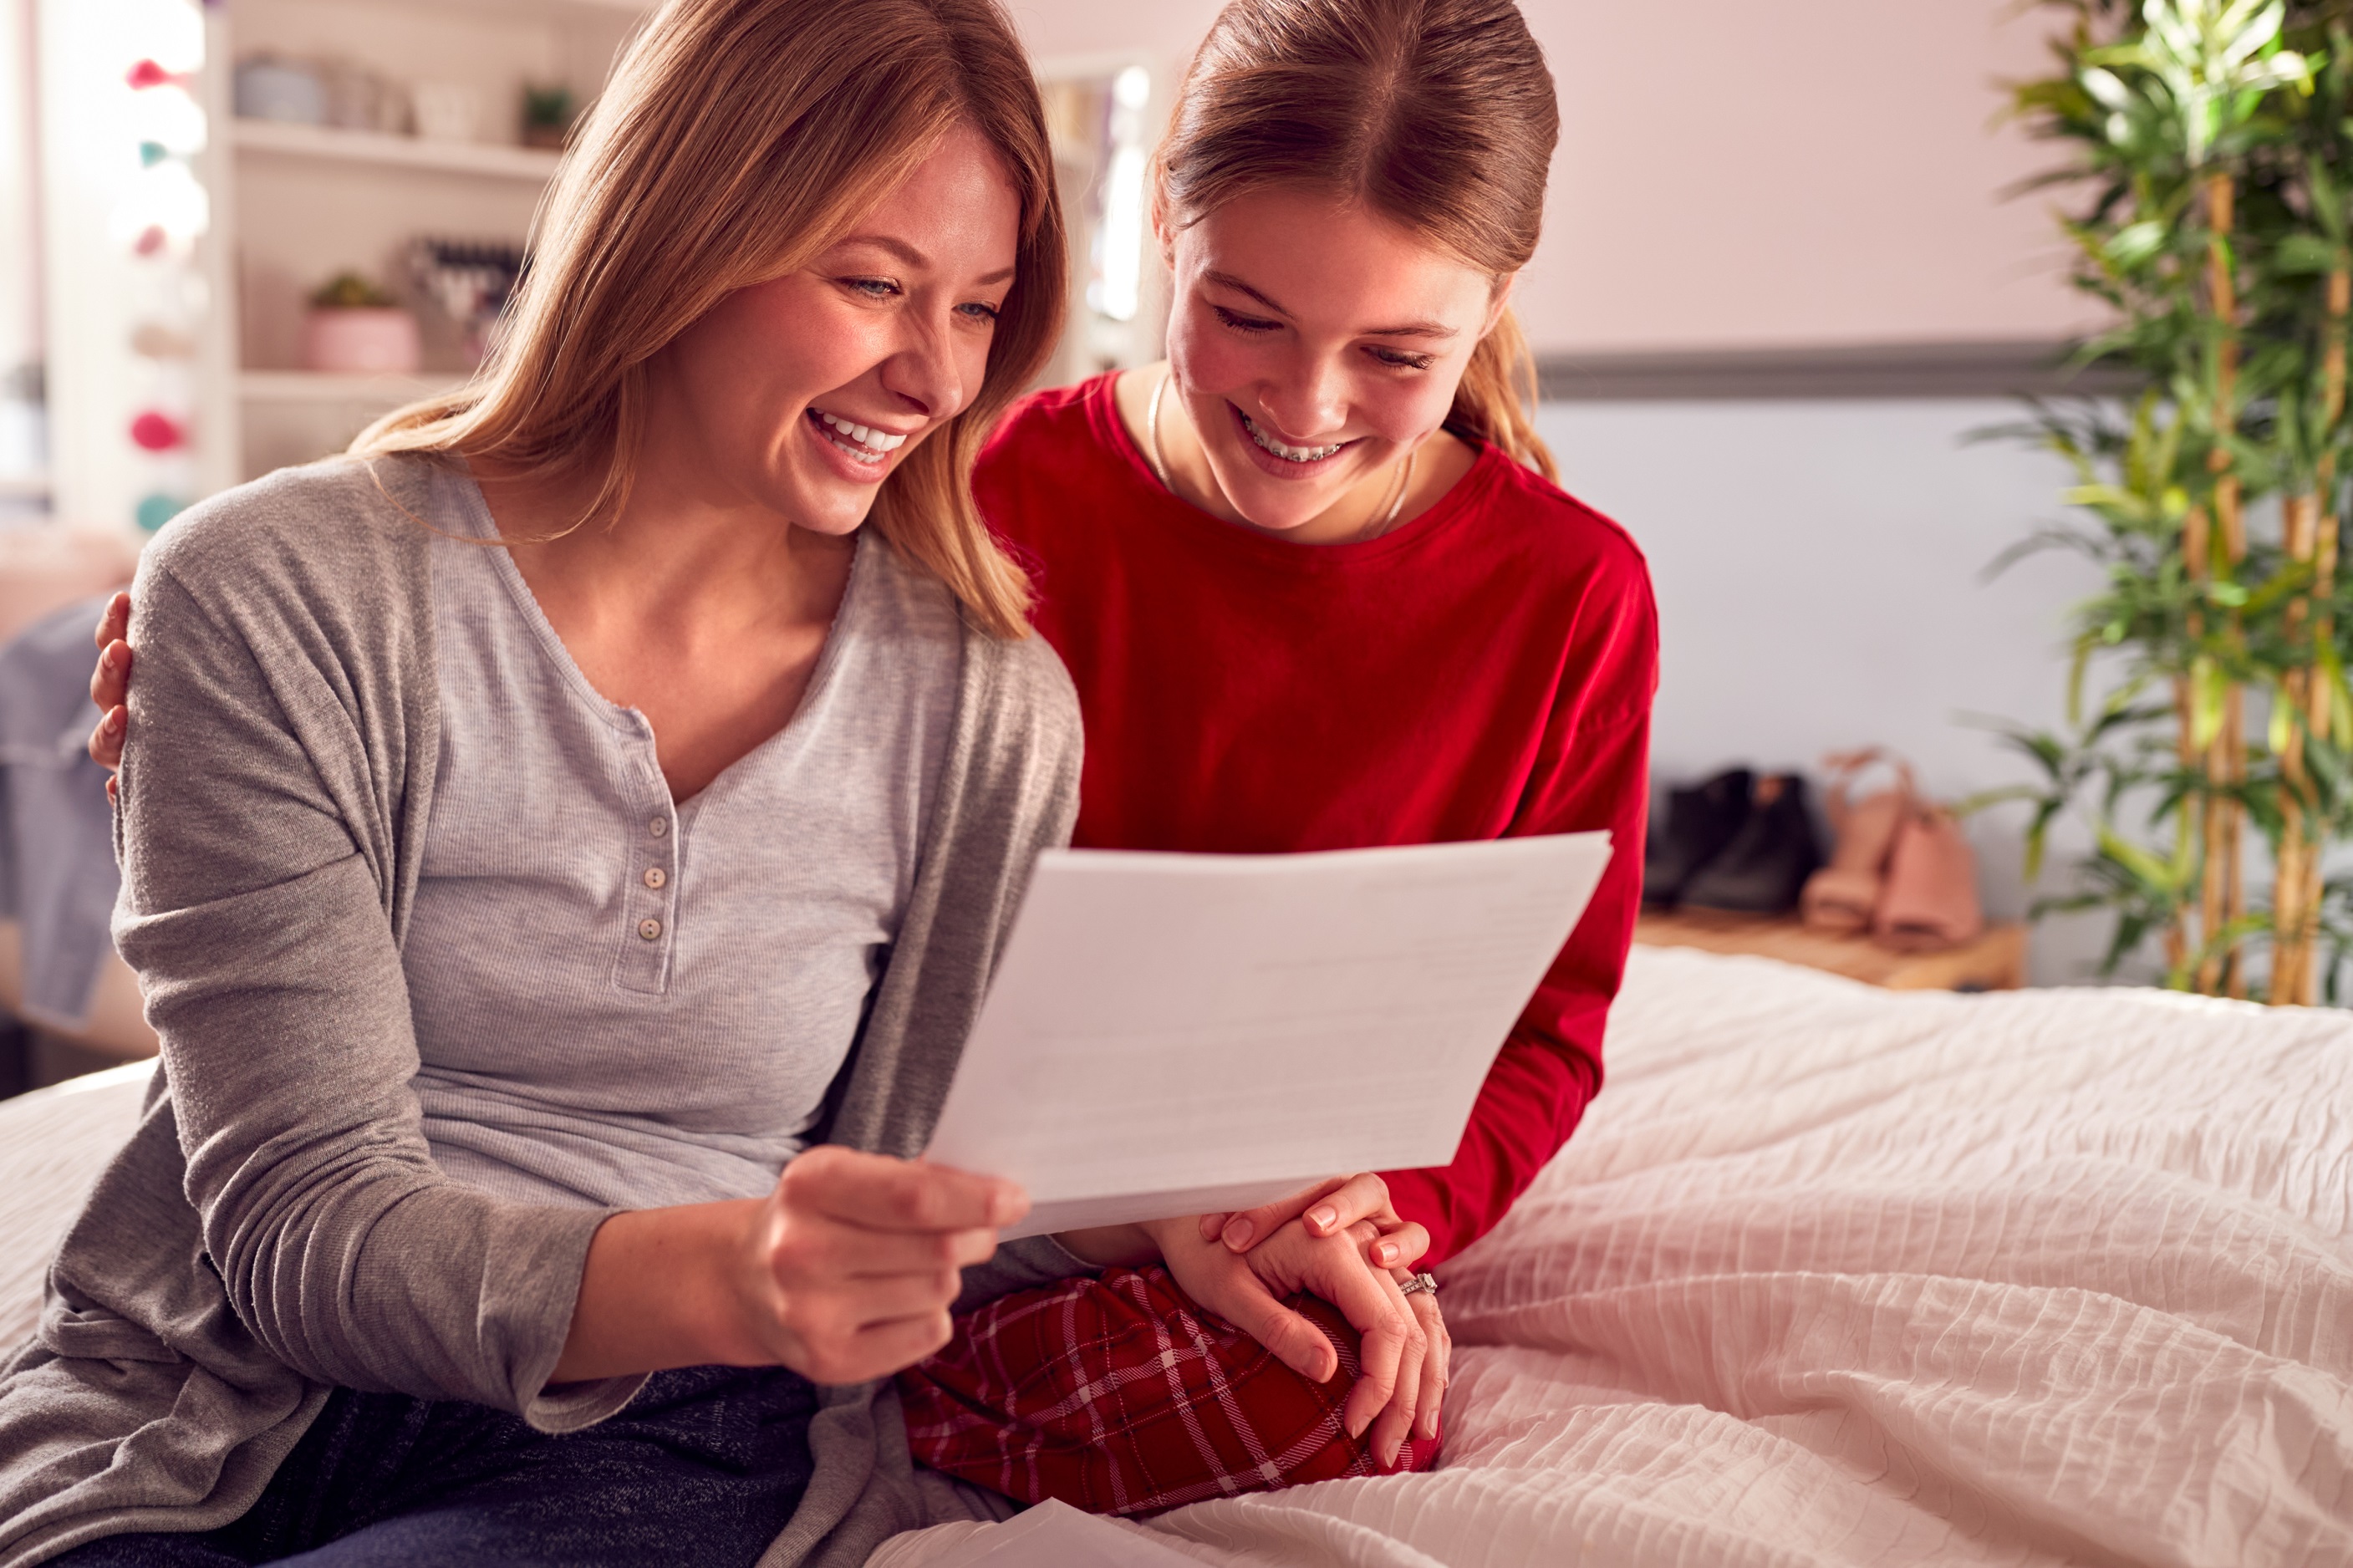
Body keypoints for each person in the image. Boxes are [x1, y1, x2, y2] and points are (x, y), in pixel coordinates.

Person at [4, 2, 1429, 1563]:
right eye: (873, 284)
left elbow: (909, 1174)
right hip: (211, 1401)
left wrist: (1196, 1215)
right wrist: (737, 1270)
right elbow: (299, 1233)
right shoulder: (283, 592)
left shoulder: (983, 708)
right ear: (679, 228)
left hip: (662, 1430)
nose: (931, 374)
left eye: (977, 308)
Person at [892, 0, 1658, 1515]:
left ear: (1498, 299)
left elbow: (1550, 1035)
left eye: (1396, 351)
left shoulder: (1574, 595)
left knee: (1339, 1389)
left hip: (1302, 1217)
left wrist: (1392, 1217)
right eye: (1247, 315)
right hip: (994, 1187)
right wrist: (1163, 1212)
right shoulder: (986, 492)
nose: (1303, 410)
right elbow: (849, 957)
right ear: (1168, 230)